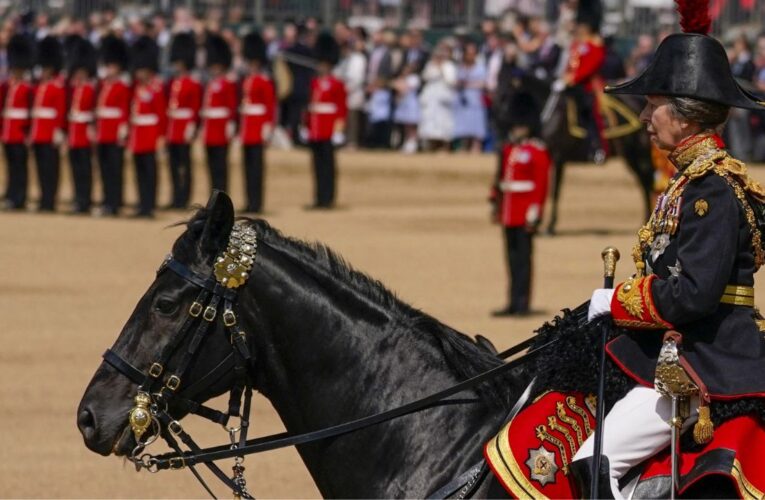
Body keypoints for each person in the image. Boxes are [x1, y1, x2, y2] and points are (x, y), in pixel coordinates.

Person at [576, 14, 765, 499]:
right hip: (679, 344)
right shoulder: (690, 182)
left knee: (593, 461)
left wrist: (616, 302)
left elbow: (694, 293)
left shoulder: (712, 191)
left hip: (705, 354)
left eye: (653, 105)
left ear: (685, 116)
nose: (642, 117)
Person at [490, 92, 550, 317]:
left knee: (524, 261)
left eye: (520, 126)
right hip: (509, 212)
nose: (516, 129)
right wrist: (496, 204)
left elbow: (541, 184)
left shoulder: (537, 151)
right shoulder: (509, 150)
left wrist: (535, 211)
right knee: (511, 260)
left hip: (524, 212)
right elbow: (500, 180)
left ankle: (523, 302)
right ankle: (512, 301)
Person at [556, 0, 607, 163]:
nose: (579, 27)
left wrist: (573, 78)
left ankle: (597, 146)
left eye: (582, 25)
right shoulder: (576, 44)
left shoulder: (594, 44)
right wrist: (564, 77)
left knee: (589, 111)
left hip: (588, 87)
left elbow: (591, 66)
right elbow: (570, 64)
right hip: (572, 84)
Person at [304, 32, 346, 209]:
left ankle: (329, 198)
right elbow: (310, 106)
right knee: (317, 166)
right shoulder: (314, 82)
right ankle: (319, 198)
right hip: (315, 129)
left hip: (328, 129)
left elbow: (341, 109)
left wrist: (338, 130)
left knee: (328, 166)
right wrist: (306, 126)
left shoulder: (336, 84)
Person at [128, 35, 166, 218]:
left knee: (150, 172)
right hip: (138, 135)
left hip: (150, 135)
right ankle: (142, 204)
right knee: (139, 172)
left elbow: (160, 115)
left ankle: (149, 205)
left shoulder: (155, 89)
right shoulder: (137, 88)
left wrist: (160, 137)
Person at [239, 31, 276, 213]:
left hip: (258, 128)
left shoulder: (264, 81)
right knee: (247, 168)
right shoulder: (247, 80)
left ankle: (257, 202)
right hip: (247, 129)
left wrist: (267, 128)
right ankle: (249, 201)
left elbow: (269, 106)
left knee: (256, 168)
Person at [95, 35, 131, 216]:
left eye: (112, 65)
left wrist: (123, 129)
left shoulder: (122, 86)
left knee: (115, 170)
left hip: (114, 133)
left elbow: (124, 109)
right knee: (104, 169)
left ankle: (115, 202)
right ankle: (107, 200)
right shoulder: (103, 85)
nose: (109, 69)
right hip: (102, 132)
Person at [165, 31, 202, 209]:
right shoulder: (172, 82)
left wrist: (191, 126)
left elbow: (195, 107)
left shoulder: (192, 83)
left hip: (183, 127)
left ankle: (184, 197)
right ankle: (175, 197)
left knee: (185, 166)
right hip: (172, 128)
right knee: (173, 166)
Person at [30, 36, 66, 212]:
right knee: (40, 169)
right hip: (38, 132)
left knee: (50, 169)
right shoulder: (39, 86)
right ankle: (43, 199)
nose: (43, 71)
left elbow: (59, 110)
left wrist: (58, 130)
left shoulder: (57, 86)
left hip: (50, 132)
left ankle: (50, 200)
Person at [201, 33, 237, 193]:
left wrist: (230, 123)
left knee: (221, 166)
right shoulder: (210, 83)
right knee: (211, 167)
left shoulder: (227, 83)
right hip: (210, 128)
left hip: (221, 128)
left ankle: (222, 195)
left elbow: (231, 105)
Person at [66, 35, 98, 214]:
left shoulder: (91, 88)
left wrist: (93, 128)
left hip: (85, 133)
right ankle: (78, 199)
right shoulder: (75, 88)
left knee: (85, 169)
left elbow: (94, 111)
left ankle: (86, 200)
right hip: (74, 133)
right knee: (75, 169)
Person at [1, 34, 33, 211]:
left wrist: (28, 132)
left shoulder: (27, 88)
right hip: (8, 131)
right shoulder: (7, 86)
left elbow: (29, 112)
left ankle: (20, 197)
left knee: (20, 167)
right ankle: (11, 195)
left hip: (20, 131)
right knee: (11, 166)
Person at [453, 39, 487, 153]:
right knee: (463, 123)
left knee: (476, 123)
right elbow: (456, 82)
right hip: (462, 100)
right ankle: (464, 146)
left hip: (475, 99)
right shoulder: (460, 67)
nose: (470, 56)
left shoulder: (480, 67)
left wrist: (467, 84)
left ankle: (476, 147)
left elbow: (483, 83)